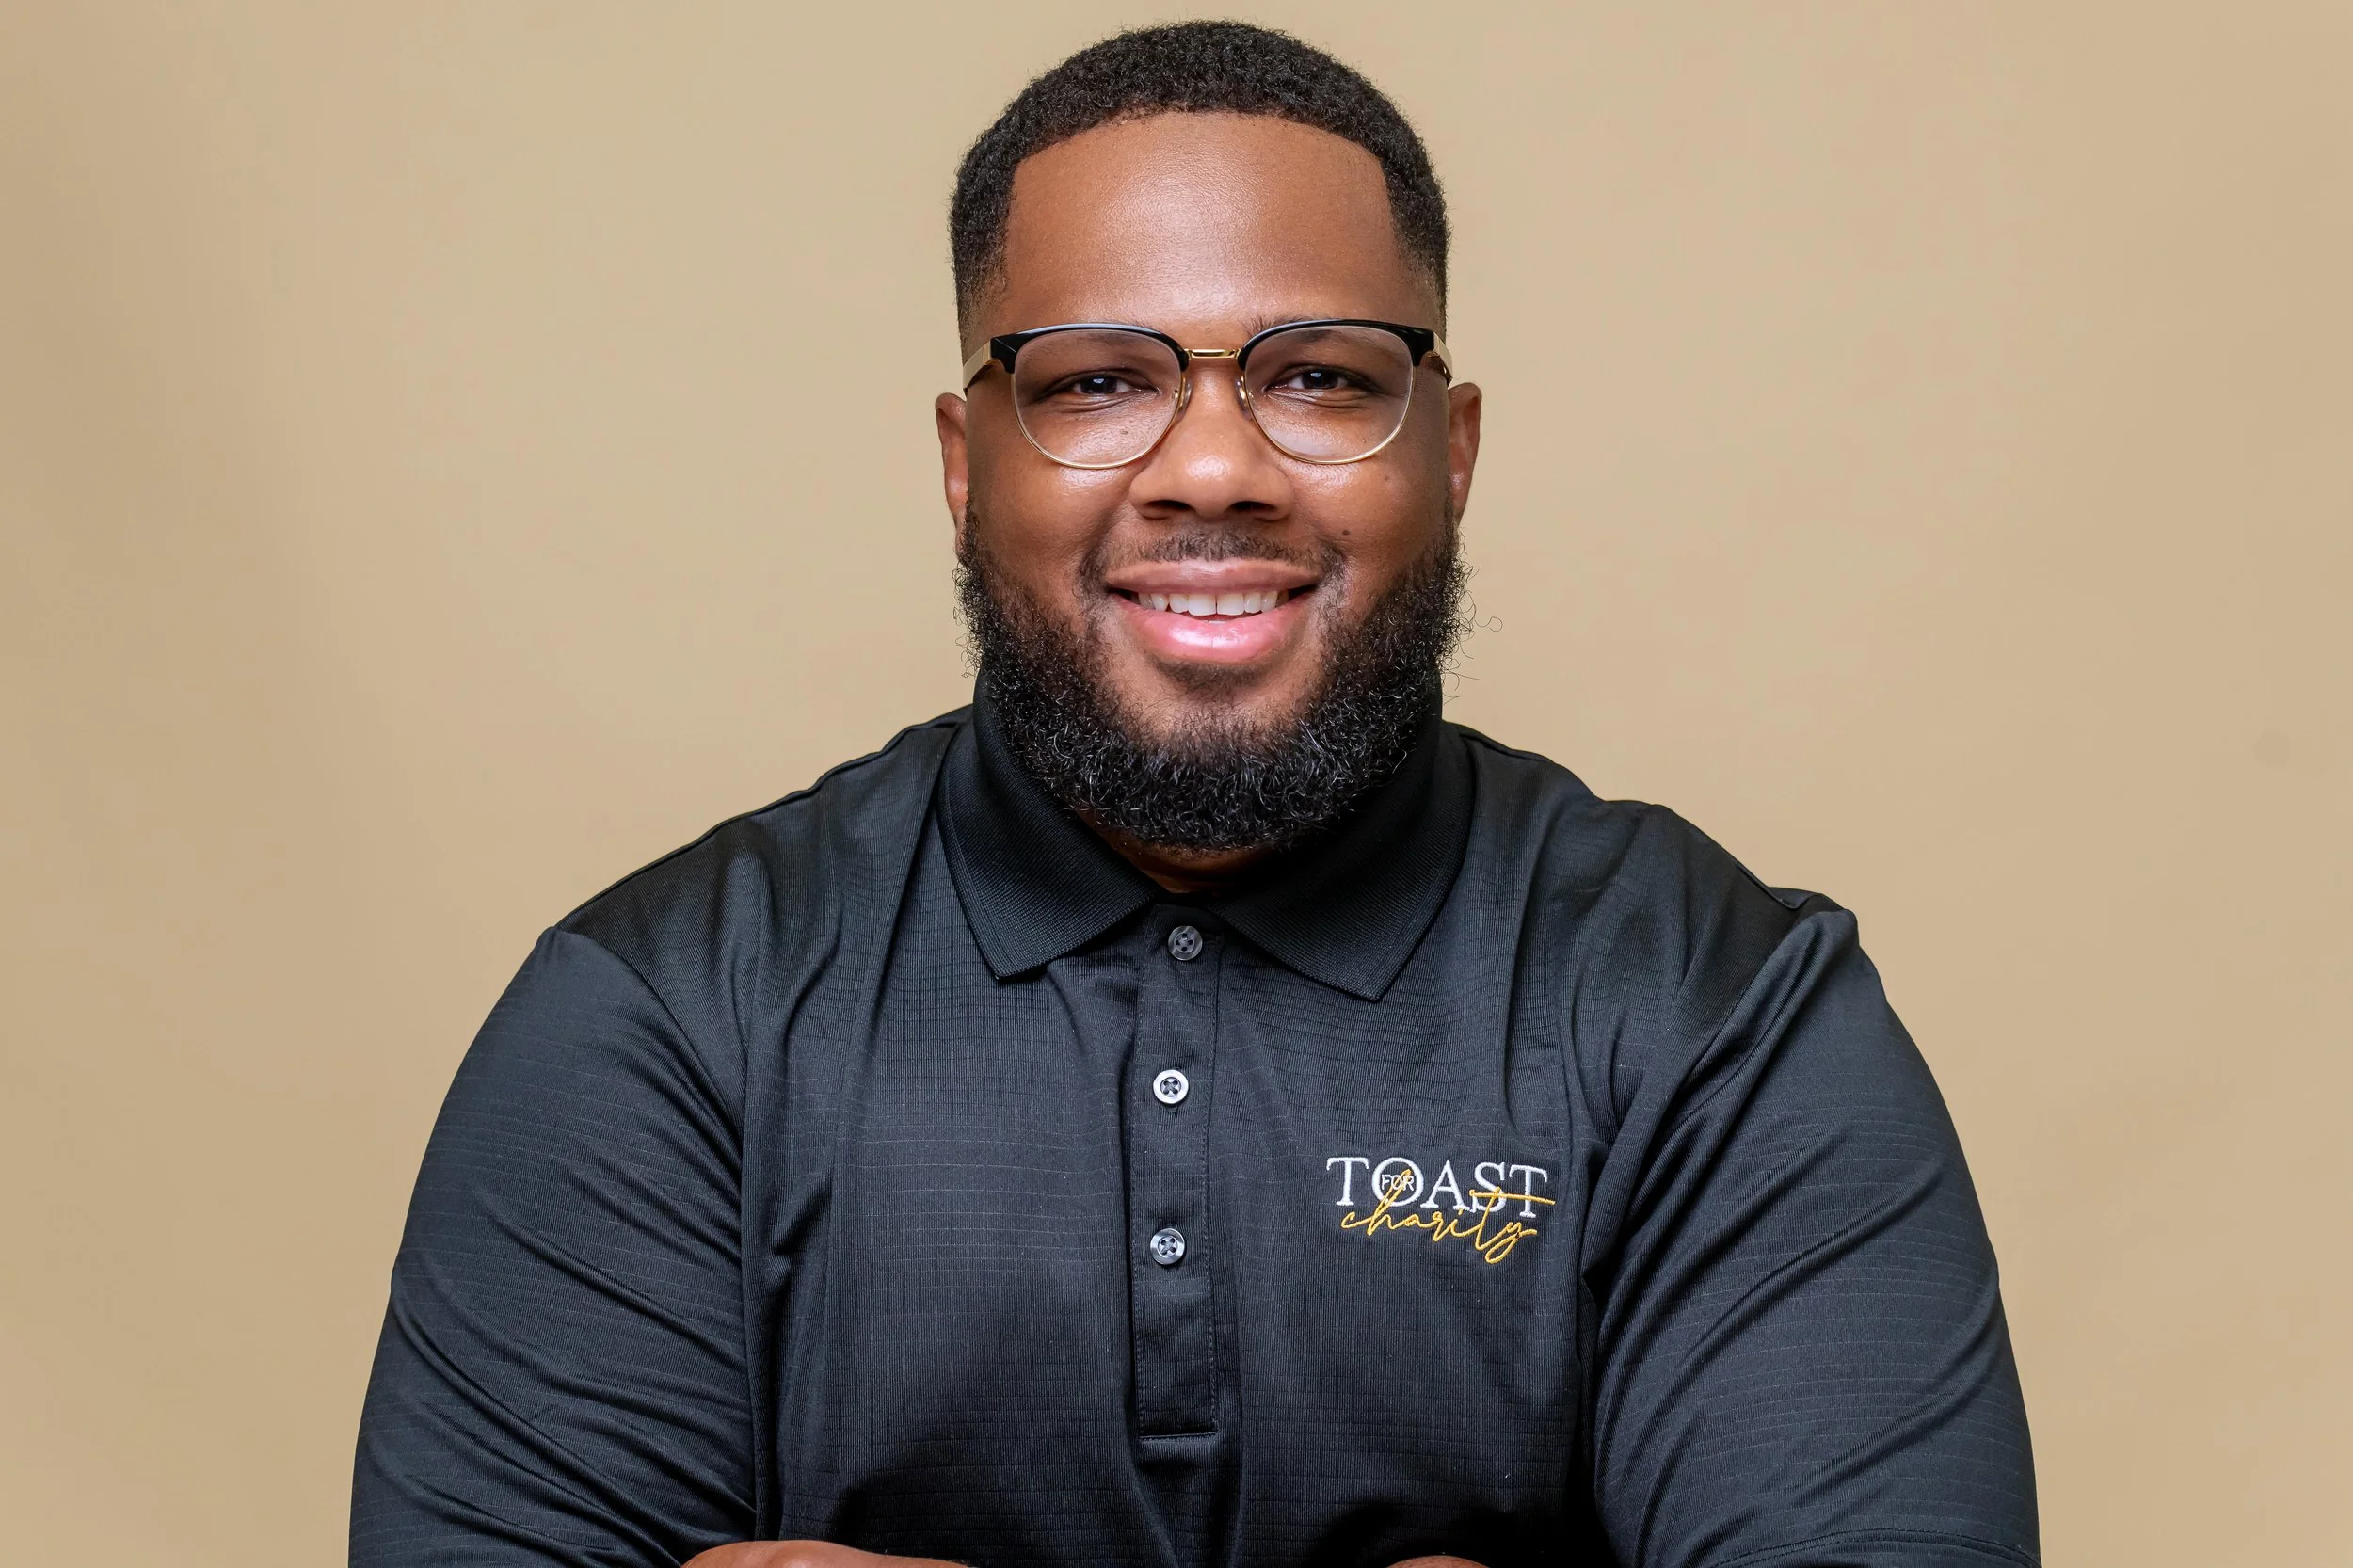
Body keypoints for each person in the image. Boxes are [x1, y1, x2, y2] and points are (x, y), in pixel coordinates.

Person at [352, 22, 2038, 1568]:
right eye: (1095, 380)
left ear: (1449, 450)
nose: (1215, 466)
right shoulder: (662, 1023)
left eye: (1319, 376)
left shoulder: (1722, 1015)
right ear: (964, 465)